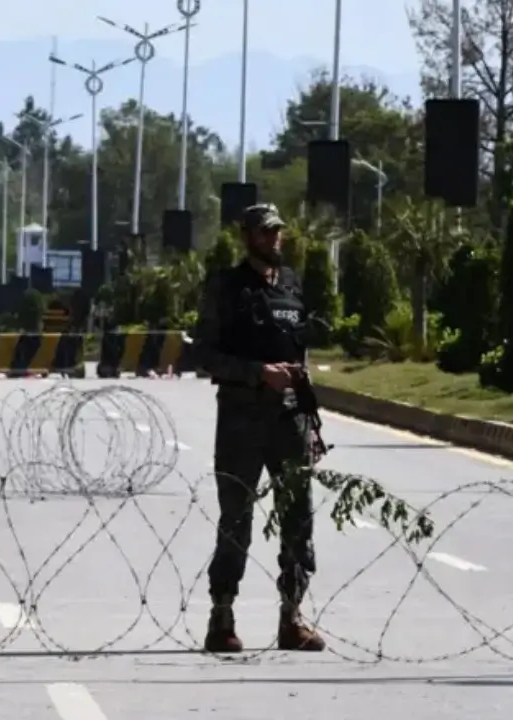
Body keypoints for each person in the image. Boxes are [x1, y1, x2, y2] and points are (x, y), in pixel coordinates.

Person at [192, 203, 326, 654]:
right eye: (266, 233)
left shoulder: (290, 285)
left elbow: (300, 354)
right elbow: (205, 354)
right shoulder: (227, 288)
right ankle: (222, 617)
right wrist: (256, 372)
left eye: (278, 232)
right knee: (237, 520)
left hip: (289, 420)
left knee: (298, 519)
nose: (275, 240)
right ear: (246, 235)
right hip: (241, 419)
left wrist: (311, 424)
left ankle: (292, 617)